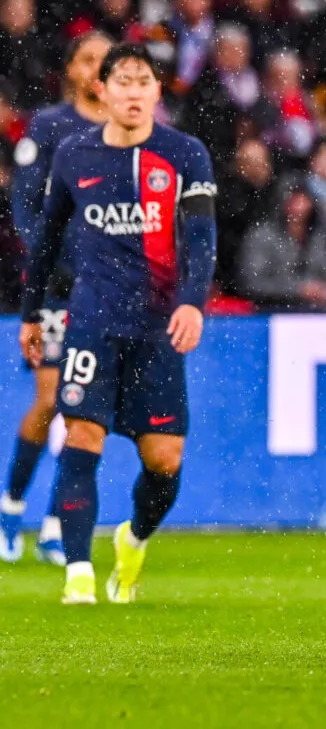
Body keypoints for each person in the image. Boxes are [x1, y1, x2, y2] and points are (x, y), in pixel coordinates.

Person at [18, 43, 217, 605]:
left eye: (143, 81)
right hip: (91, 323)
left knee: (164, 462)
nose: (133, 92)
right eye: (122, 81)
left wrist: (192, 301)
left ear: (158, 91)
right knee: (81, 436)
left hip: (157, 330)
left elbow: (201, 238)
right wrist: (33, 313)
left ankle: (134, 538)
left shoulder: (185, 154)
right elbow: (49, 237)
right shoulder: (74, 155)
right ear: (101, 90)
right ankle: (78, 572)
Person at [2, 30, 111, 565]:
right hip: (56, 288)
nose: (97, 69)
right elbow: (25, 205)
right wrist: (48, 264)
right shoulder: (50, 126)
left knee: (81, 408)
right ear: (70, 70)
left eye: (105, 61)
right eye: (87, 59)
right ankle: (10, 506)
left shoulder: (129, 133)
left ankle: (52, 521)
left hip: (105, 292)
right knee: (50, 400)